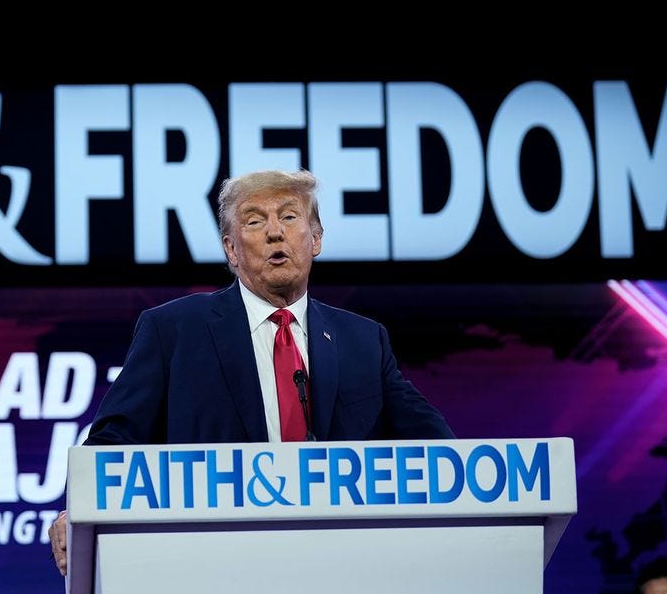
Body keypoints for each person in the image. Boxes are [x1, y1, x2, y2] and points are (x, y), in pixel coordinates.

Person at [49, 169, 454, 576]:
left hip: (342, 563)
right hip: (214, 564)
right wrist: (78, 513)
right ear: (231, 250)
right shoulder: (173, 330)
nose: (275, 233)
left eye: (290, 217)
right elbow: (112, 441)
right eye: (255, 221)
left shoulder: (364, 340)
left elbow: (438, 449)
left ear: (316, 239)